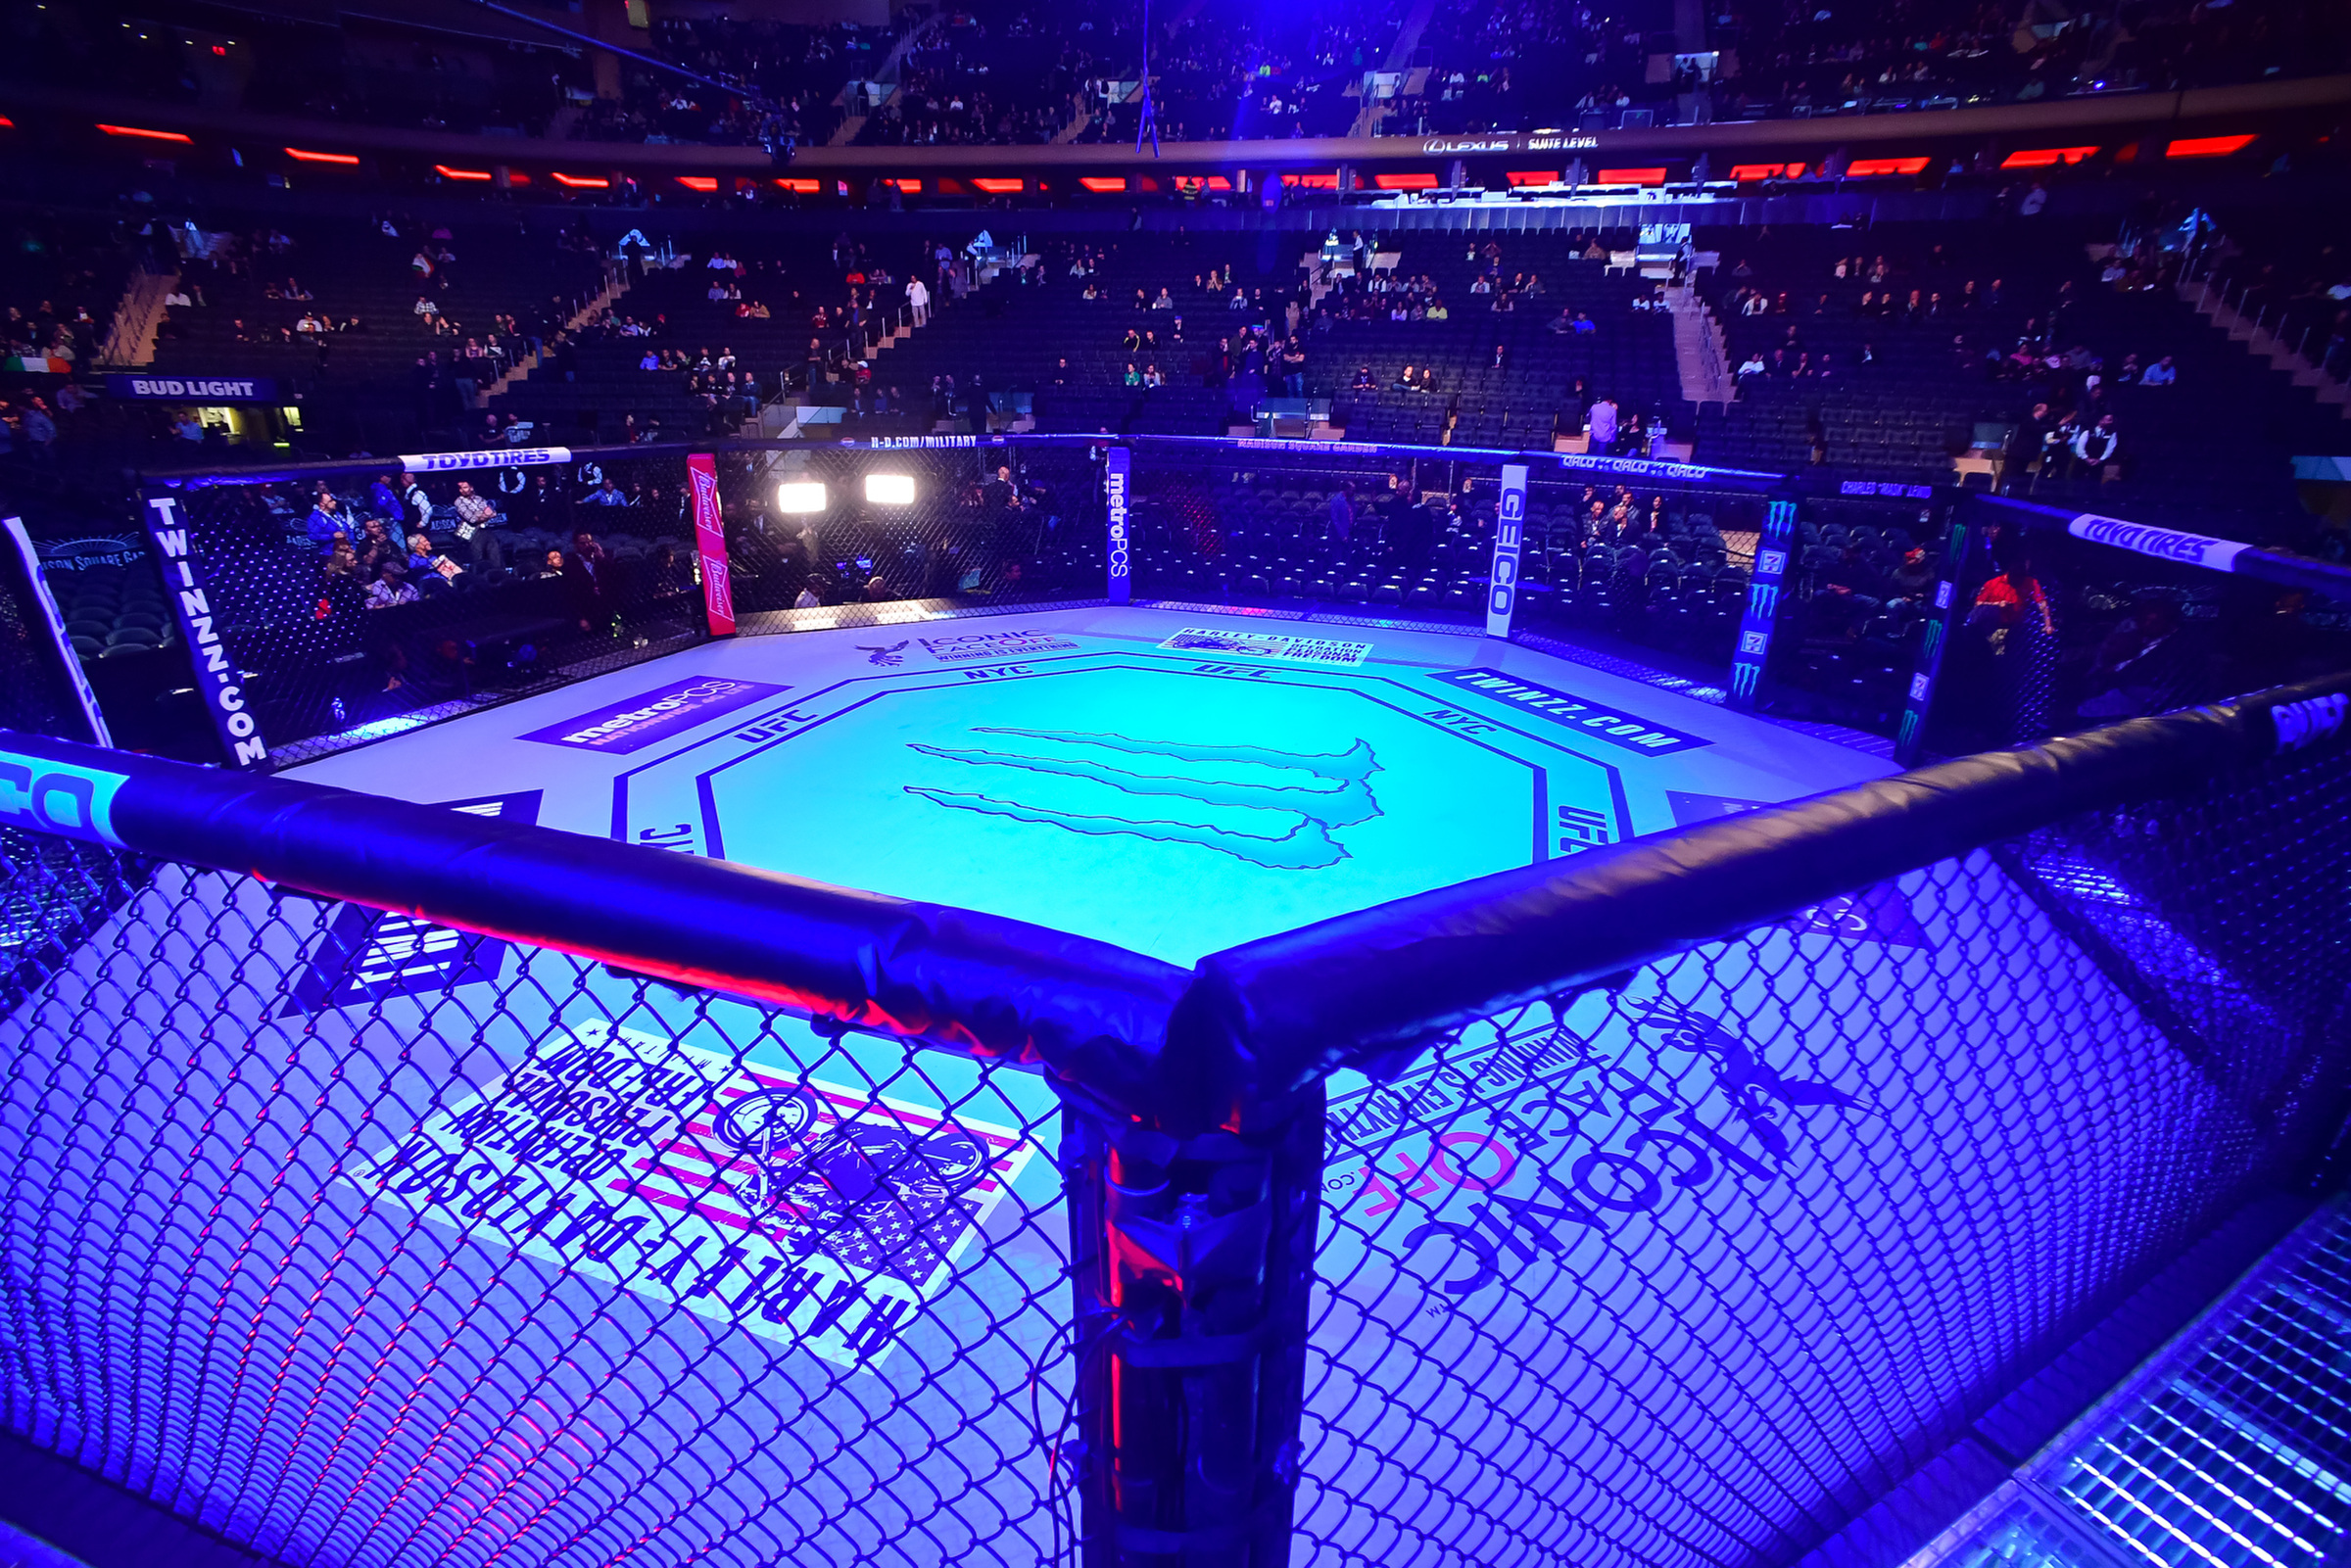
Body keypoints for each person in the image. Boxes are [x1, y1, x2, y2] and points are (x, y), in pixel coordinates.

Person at [451, 480, 504, 568]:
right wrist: (486, 514)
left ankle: (498, 572)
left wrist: (481, 515)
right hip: (472, 532)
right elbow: (472, 519)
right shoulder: (459, 501)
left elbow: (493, 513)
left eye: (465, 487)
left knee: (495, 555)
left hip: (486, 529)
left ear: (471, 488)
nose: (462, 490)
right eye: (460, 488)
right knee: (478, 558)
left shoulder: (479, 499)